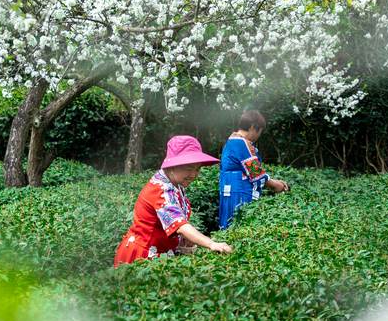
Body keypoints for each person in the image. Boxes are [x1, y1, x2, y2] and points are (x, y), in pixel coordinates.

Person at [114, 135, 233, 267]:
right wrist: (211, 244)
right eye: (189, 168)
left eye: (197, 169)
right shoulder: (161, 189)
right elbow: (180, 225)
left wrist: (183, 242)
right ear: (172, 166)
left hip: (160, 256)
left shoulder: (176, 185)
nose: (194, 174)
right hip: (141, 257)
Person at [218, 110, 289, 229]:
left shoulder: (231, 141)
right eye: (259, 131)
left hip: (229, 190)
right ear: (252, 127)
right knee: (240, 226)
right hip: (239, 192)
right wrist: (276, 184)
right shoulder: (241, 143)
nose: (258, 136)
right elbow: (255, 173)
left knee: (229, 225)